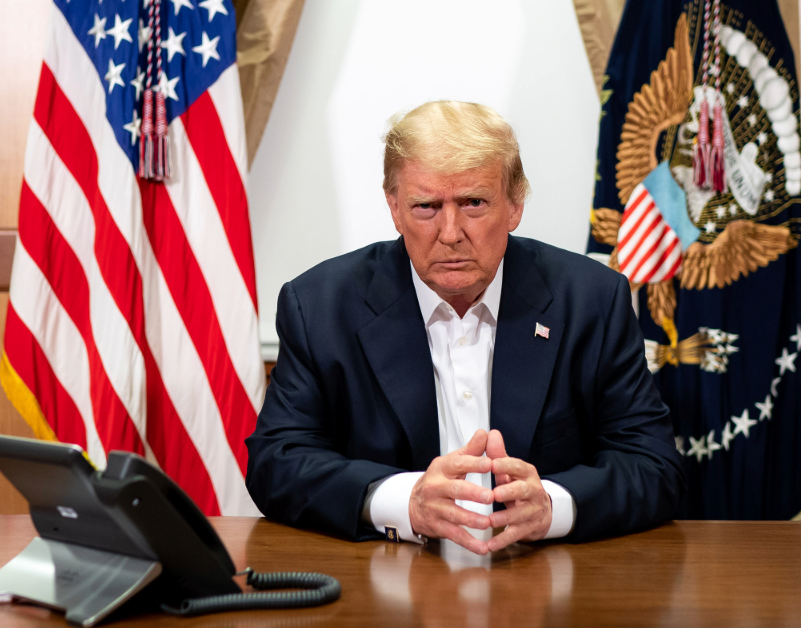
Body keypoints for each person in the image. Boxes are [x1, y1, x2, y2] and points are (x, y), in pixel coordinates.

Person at [246, 101, 683, 554]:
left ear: (515, 205)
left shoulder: (592, 301)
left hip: (542, 587)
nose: (450, 232)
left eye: (473, 203)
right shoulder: (320, 306)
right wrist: (403, 501)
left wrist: (551, 505)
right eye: (426, 206)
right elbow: (277, 463)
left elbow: (653, 466)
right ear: (394, 208)